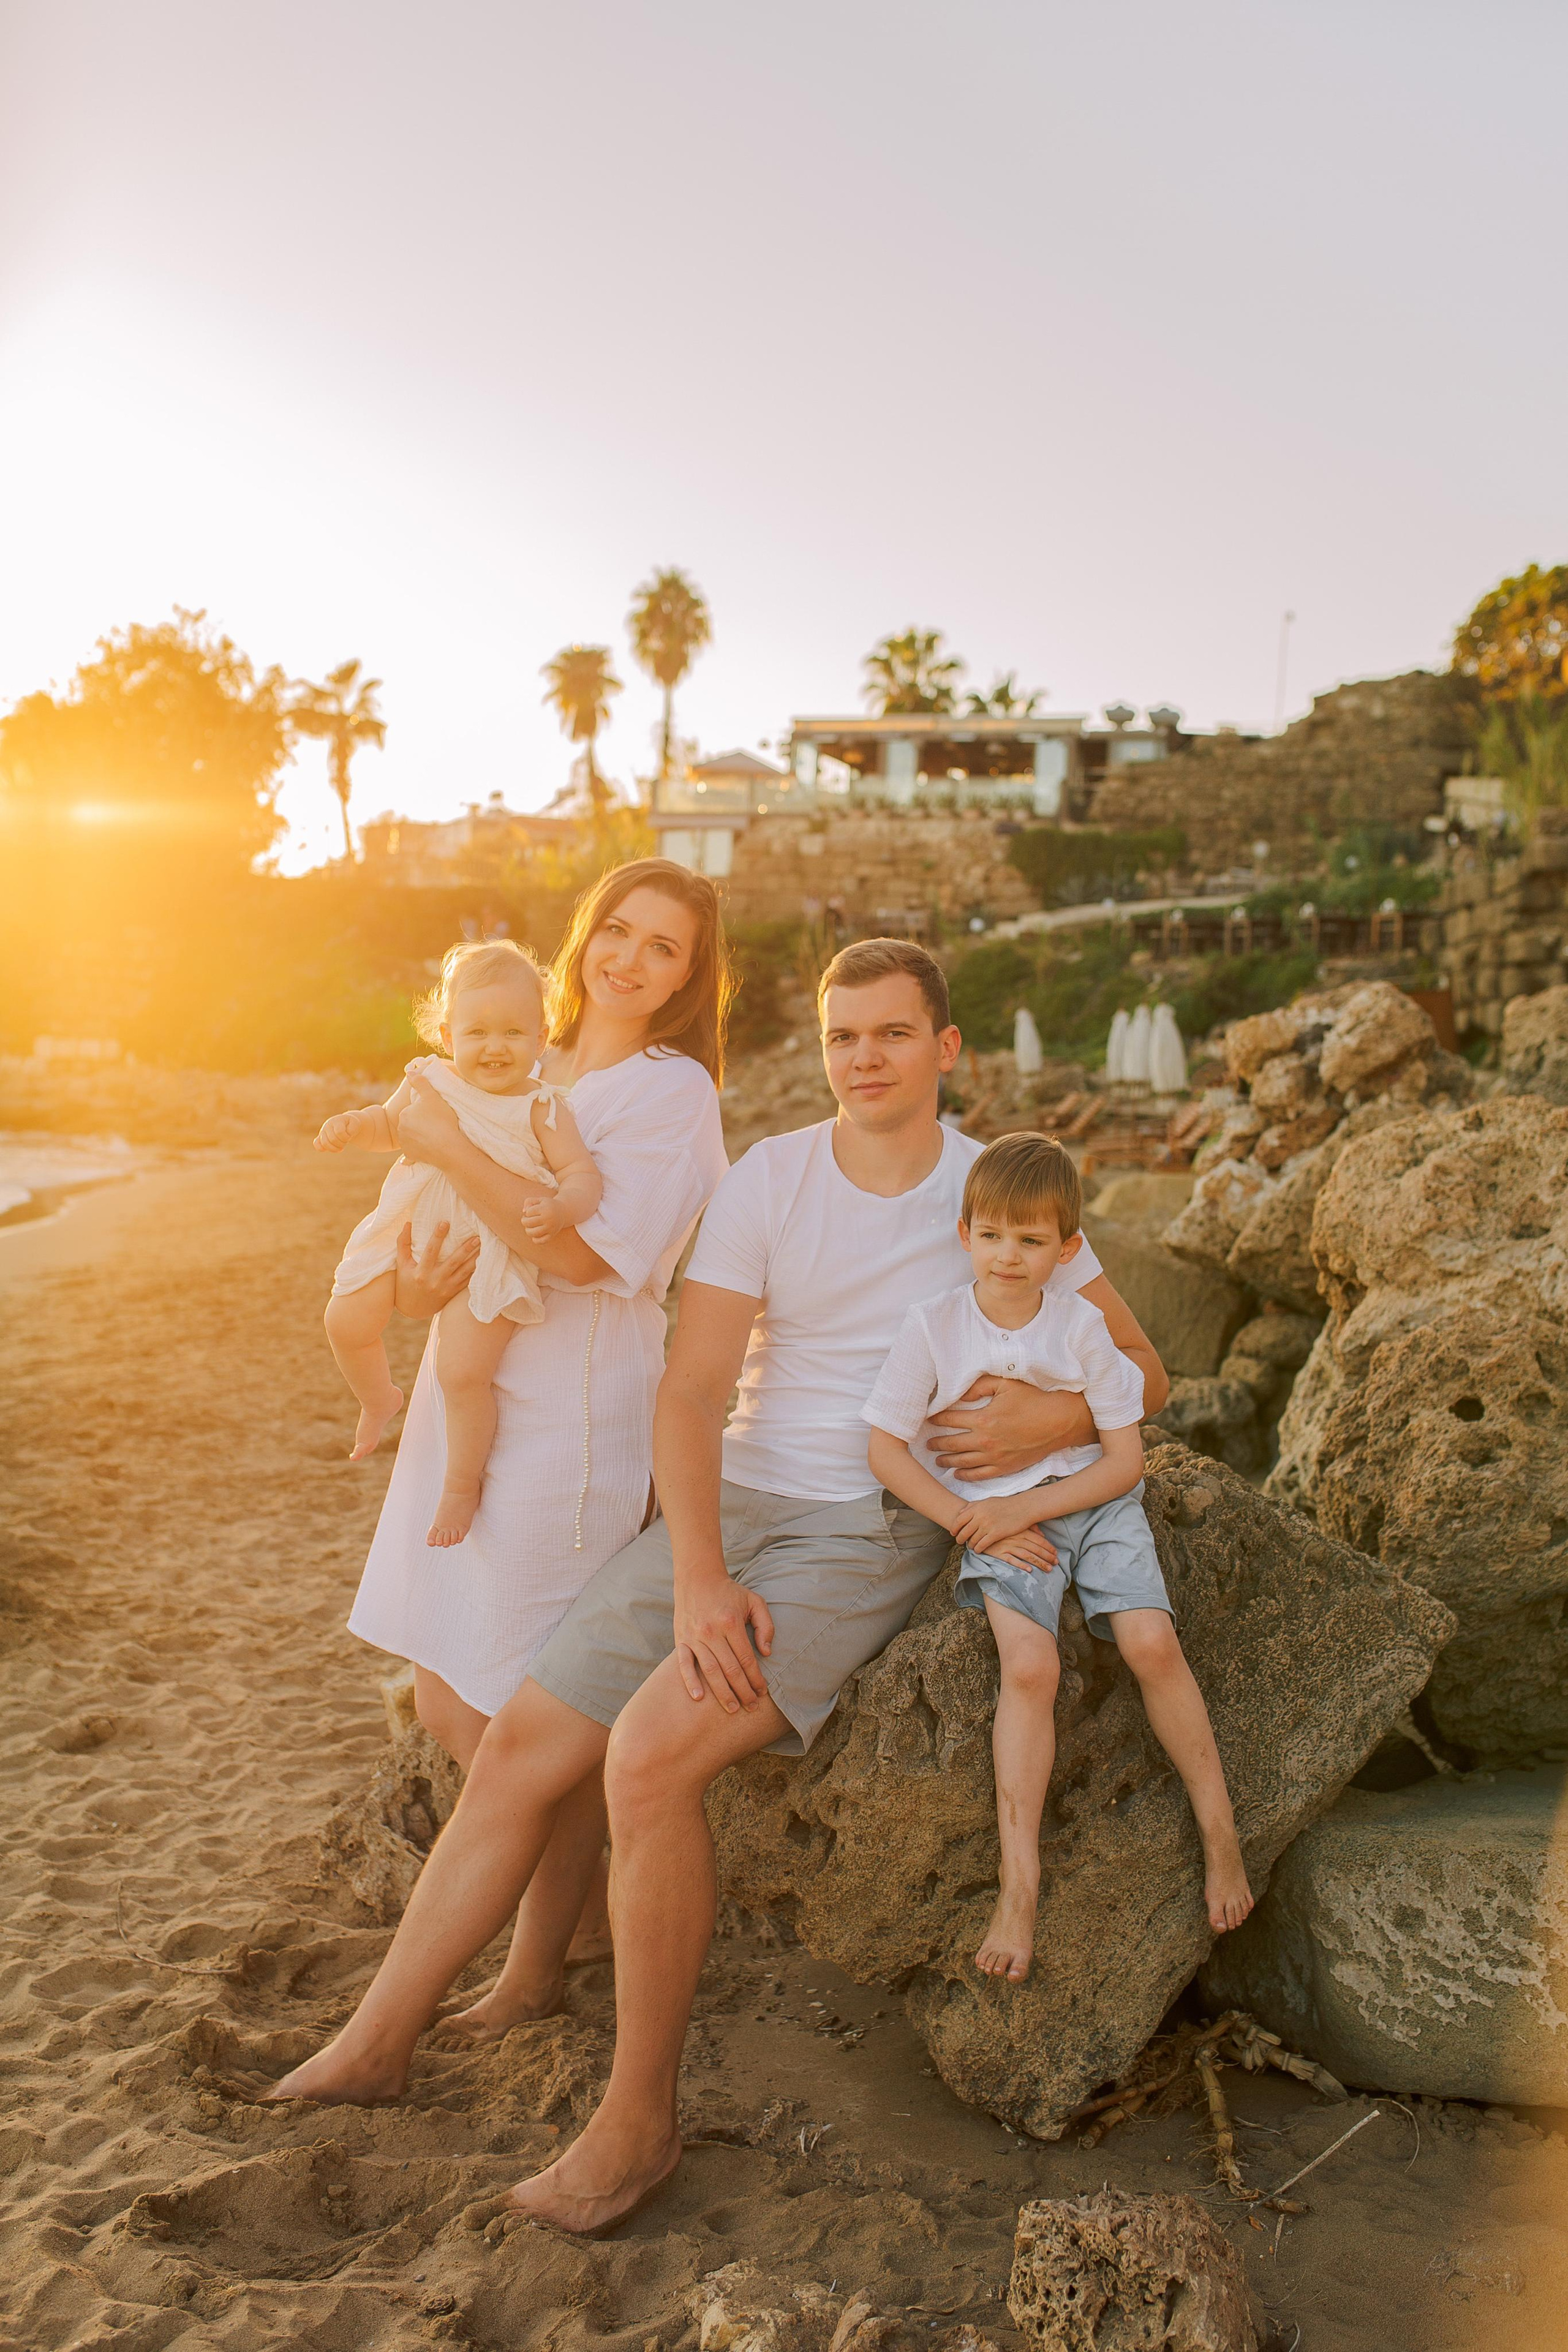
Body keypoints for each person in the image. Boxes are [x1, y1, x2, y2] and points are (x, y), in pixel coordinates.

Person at [270, 937, 1170, 2237]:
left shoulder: (993, 1186)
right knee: (524, 1740)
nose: (864, 1058)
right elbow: (695, 1392)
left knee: (643, 1760)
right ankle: (375, 2042)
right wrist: (695, 1571)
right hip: (731, 1501)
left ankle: (637, 2127)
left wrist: (1041, 1424)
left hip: (862, 1526)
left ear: (944, 1049)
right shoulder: (769, 1176)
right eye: (842, 1036)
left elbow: (1139, 1369)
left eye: (892, 1034)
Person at [342, 858, 731, 2019]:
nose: (629, 958)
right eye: (617, 930)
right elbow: (462, 1237)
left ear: (690, 977)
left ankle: (530, 1969)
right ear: (584, 936)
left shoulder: (672, 1095)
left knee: (527, 1708)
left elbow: (582, 1257)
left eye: (663, 947)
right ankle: (549, 1935)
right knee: (446, 1693)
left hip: (570, 1420)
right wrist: (416, 1282)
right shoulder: (535, 1059)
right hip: (471, 1400)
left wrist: (440, 1139)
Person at [864, 1129, 1253, 1987]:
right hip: (993, 1524)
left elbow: (1126, 1459)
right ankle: (1020, 1885)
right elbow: (885, 1450)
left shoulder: (1082, 1328)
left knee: (1152, 1644)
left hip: (1091, 1505)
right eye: (994, 1235)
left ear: (1067, 1248)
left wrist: (1024, 1507)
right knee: (1031, 1666)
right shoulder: (934, 1328)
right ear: (965, 1233)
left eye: (1033, 1240)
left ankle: (1221, 1838)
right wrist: (974, 1521)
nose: (1010, 1256)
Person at [317, 938, 602, 1547]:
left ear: (541, 1035)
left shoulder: (544, 1108)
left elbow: (582, 1175)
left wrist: (561, 1206)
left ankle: (460, 1487)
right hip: (411, 1231)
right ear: (447, 1037)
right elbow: (388, 1128)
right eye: (477, 1032)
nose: (494, 1047)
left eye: (512, 1032)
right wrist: (353, 1126)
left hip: (491, 1254)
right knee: (345, 1319)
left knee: (461, 1373)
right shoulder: (427, 1082)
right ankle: (377, 1397)